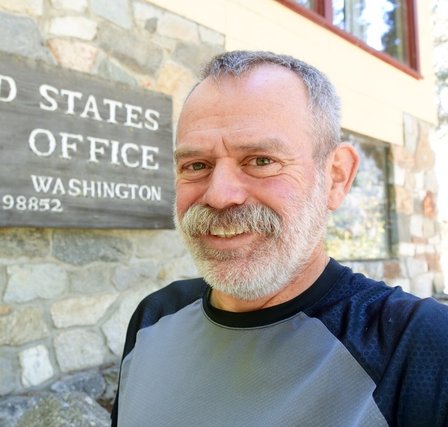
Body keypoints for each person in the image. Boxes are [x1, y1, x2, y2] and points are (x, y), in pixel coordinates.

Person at [111, 51, 448, 426]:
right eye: (196, 166)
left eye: (260, 160)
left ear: (336, 177)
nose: (219, 195)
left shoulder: (421, 347)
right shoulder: (153, 318)